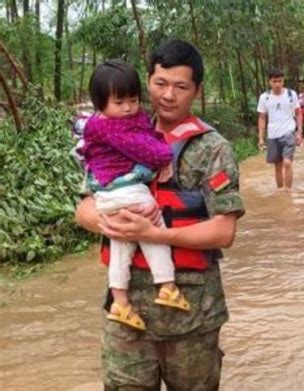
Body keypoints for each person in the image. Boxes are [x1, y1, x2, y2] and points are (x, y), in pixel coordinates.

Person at [75, 39, 245, 390]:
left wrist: (156, 235)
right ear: (147, 81)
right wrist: (107, 222)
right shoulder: (113, 130)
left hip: (192, 317)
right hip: (126, 316)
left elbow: (223, 231)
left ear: (196, 90)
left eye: (180, 87)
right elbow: (84, 207)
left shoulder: (213, 149)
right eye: (160, 83)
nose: (168, 95)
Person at [75, 60, 191, 332]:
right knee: (152, 228)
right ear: (100, 103)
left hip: (108, 194)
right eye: (119, 102)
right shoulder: (111, 127)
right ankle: (167, 285)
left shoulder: (110, 122)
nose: (128, 108)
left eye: (133, 100)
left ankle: (120, 302)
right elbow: (152, 152)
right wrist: (164, 156)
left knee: (121, 243)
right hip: (126, 190)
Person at [257, 68, 303, 190]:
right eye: (274, 81)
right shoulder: (264, 97)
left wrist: (299, 133)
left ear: (283, 81)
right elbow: (262, 118)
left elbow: (298, 113)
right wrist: (261, 138)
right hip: (272, 134)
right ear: (269, 82)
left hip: (288, 132)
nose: (277, 84)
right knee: (278, 166)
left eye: (280, 81)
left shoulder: (291, 94)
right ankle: (280, 192)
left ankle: (288, 192)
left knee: (287, 163)